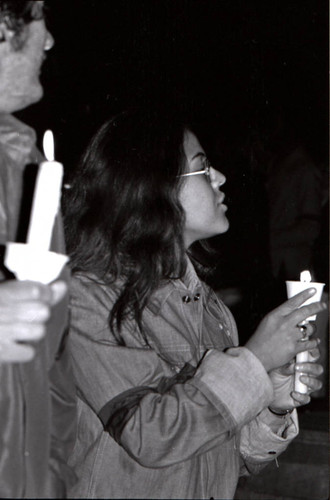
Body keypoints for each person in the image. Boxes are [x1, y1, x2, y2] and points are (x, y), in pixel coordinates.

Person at [64, 108, 325, 499]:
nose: (219, 178)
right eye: (203, 168)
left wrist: (270, 402)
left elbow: (221, 456)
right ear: (155, 187)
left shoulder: (212, 311)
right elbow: (150, 434)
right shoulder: (89, 298)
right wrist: (253, 362)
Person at [0, 1, 76, 496]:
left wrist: (50, 480)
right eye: (40, 15)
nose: (48, 41)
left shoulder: (26, 171)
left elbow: (55, 369)